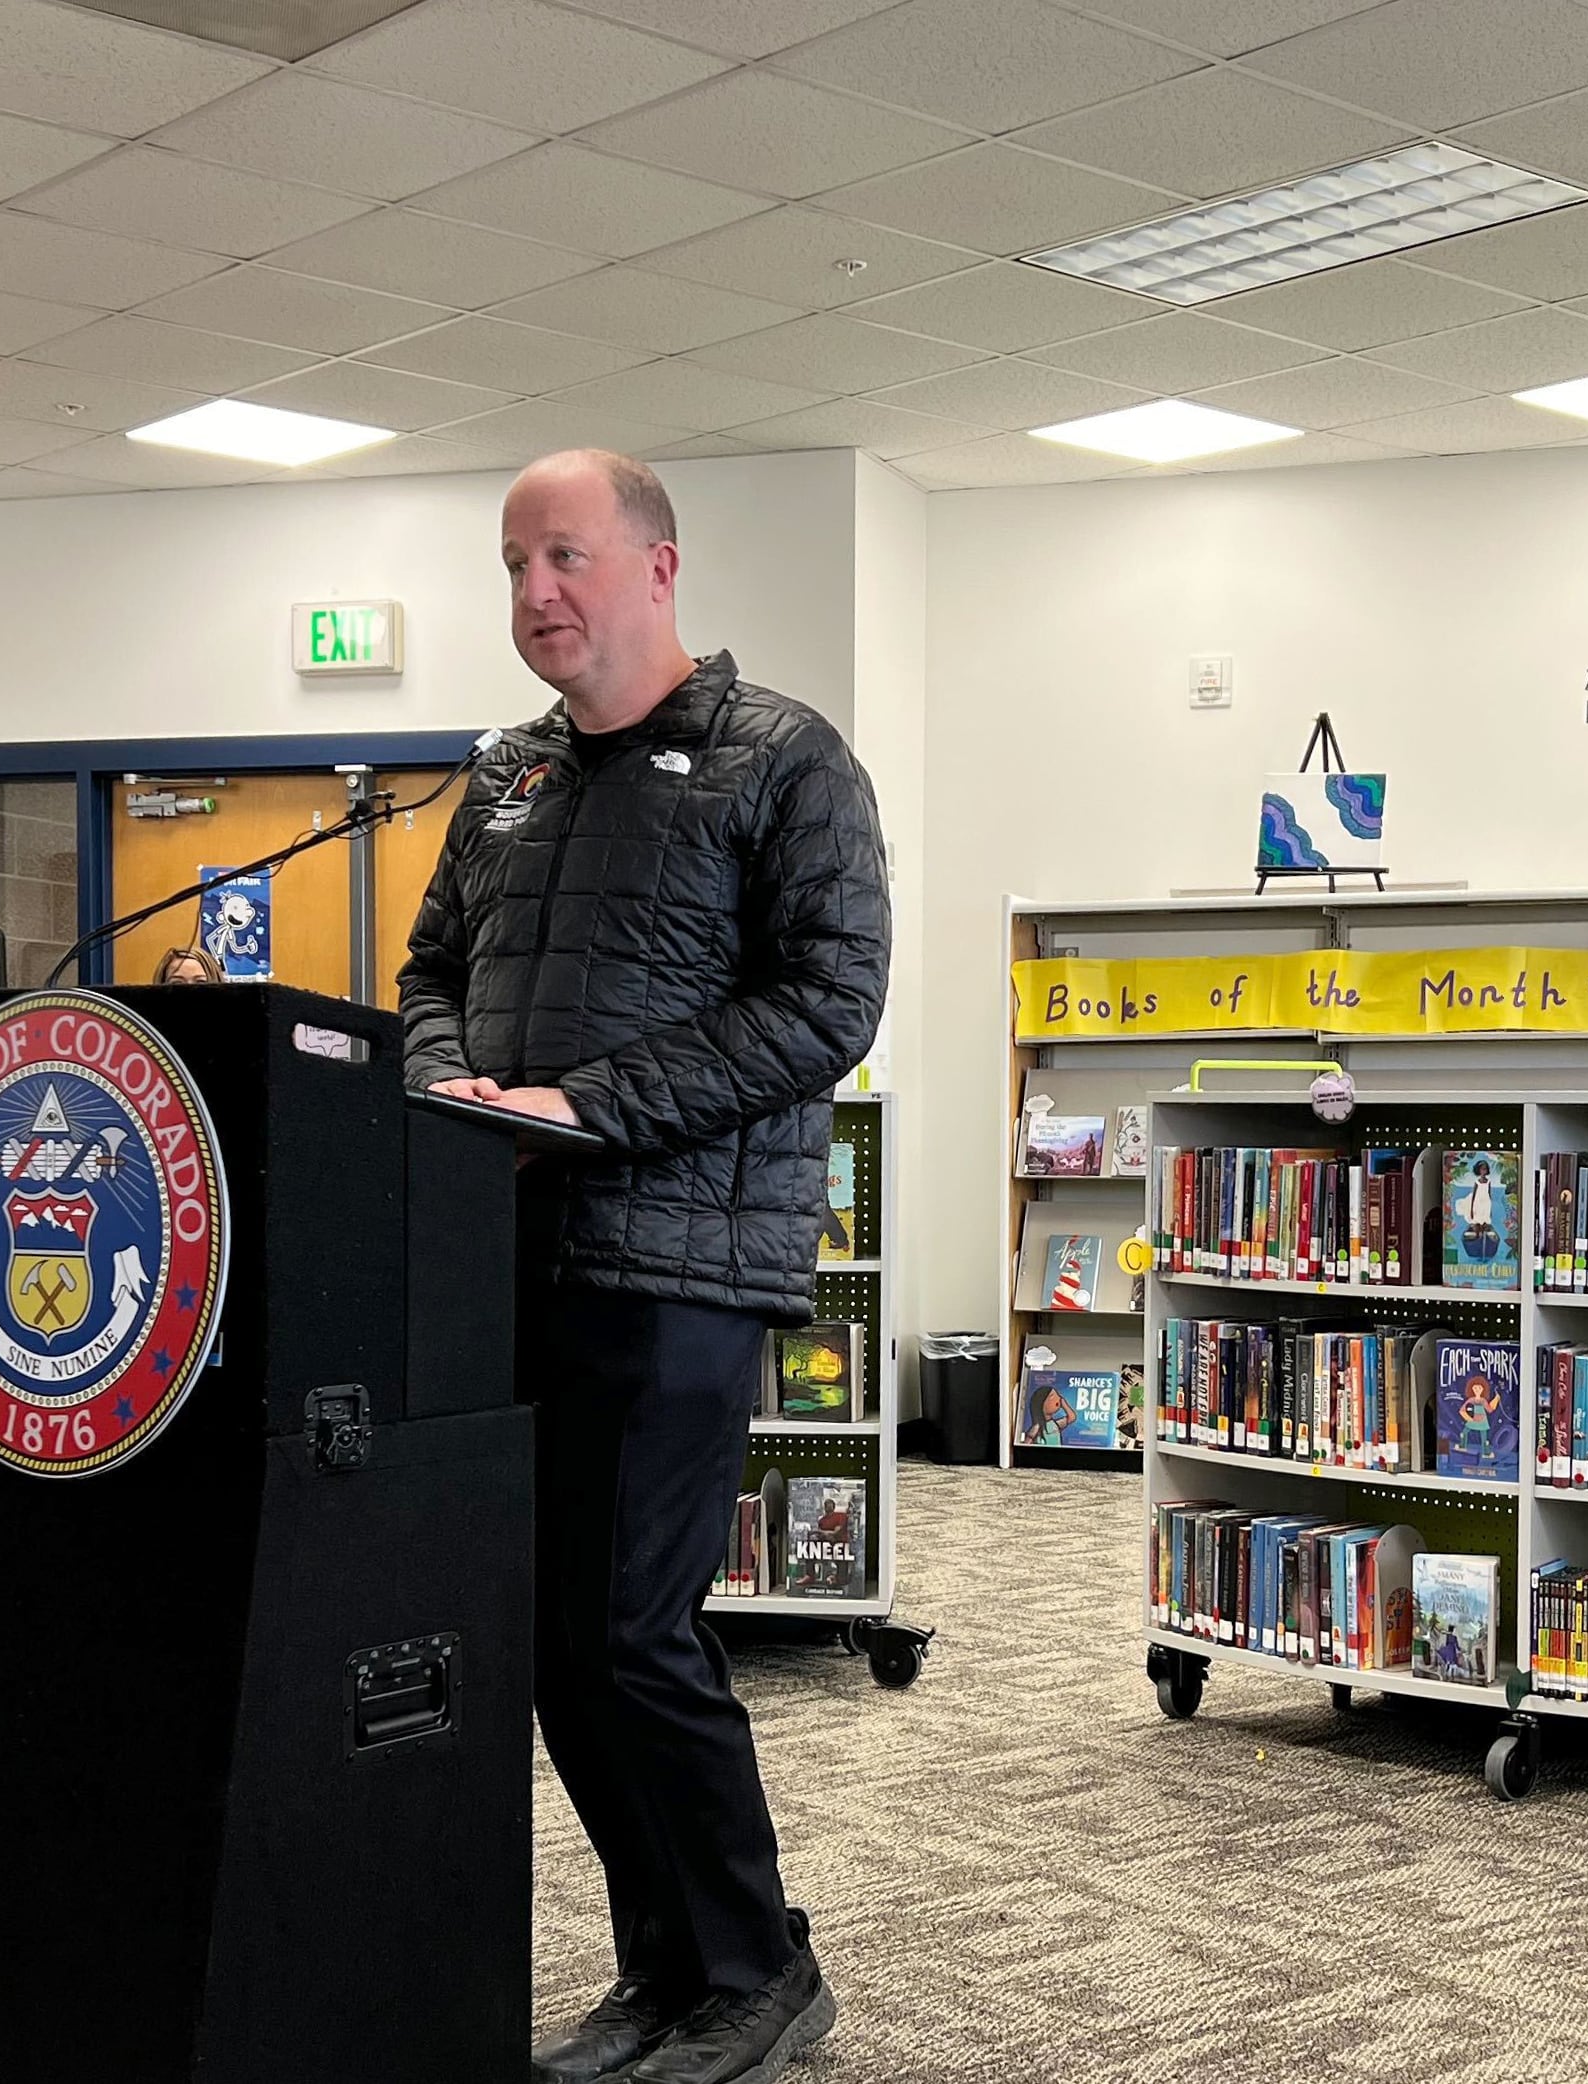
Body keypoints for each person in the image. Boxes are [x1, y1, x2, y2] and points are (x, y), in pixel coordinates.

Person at [401, 451, 889, 2084]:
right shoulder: (502, 779)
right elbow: (429, 976)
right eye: (513, 562)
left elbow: (828, 1002)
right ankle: (666, 1963)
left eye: (567, 557)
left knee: (629, 1625)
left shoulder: (783, 760)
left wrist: (586, 1108)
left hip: (681, 1261)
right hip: (511, 1250)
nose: (536, 591)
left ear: (659, 569)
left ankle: (760, 1965)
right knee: (551, 1640)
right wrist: (446, 1086)